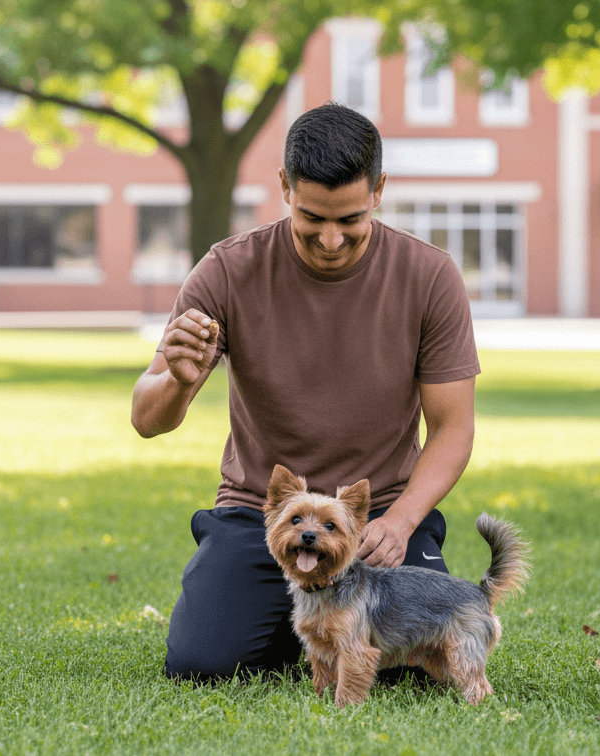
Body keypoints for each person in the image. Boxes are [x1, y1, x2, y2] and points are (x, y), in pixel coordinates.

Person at [131, 102, 480, 680]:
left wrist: (400, 522)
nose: (332, 239)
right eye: (312, 217)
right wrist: (176, 380)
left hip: (378, 518)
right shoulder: (226, 271)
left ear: (379, 191)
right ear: (285, 188)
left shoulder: (429, 276)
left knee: (415, 665)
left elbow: (453, 427)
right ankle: (300, 628)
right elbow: (148, 419)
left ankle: (314, 631)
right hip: (262, 515)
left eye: (350, 220)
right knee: (202, 664)